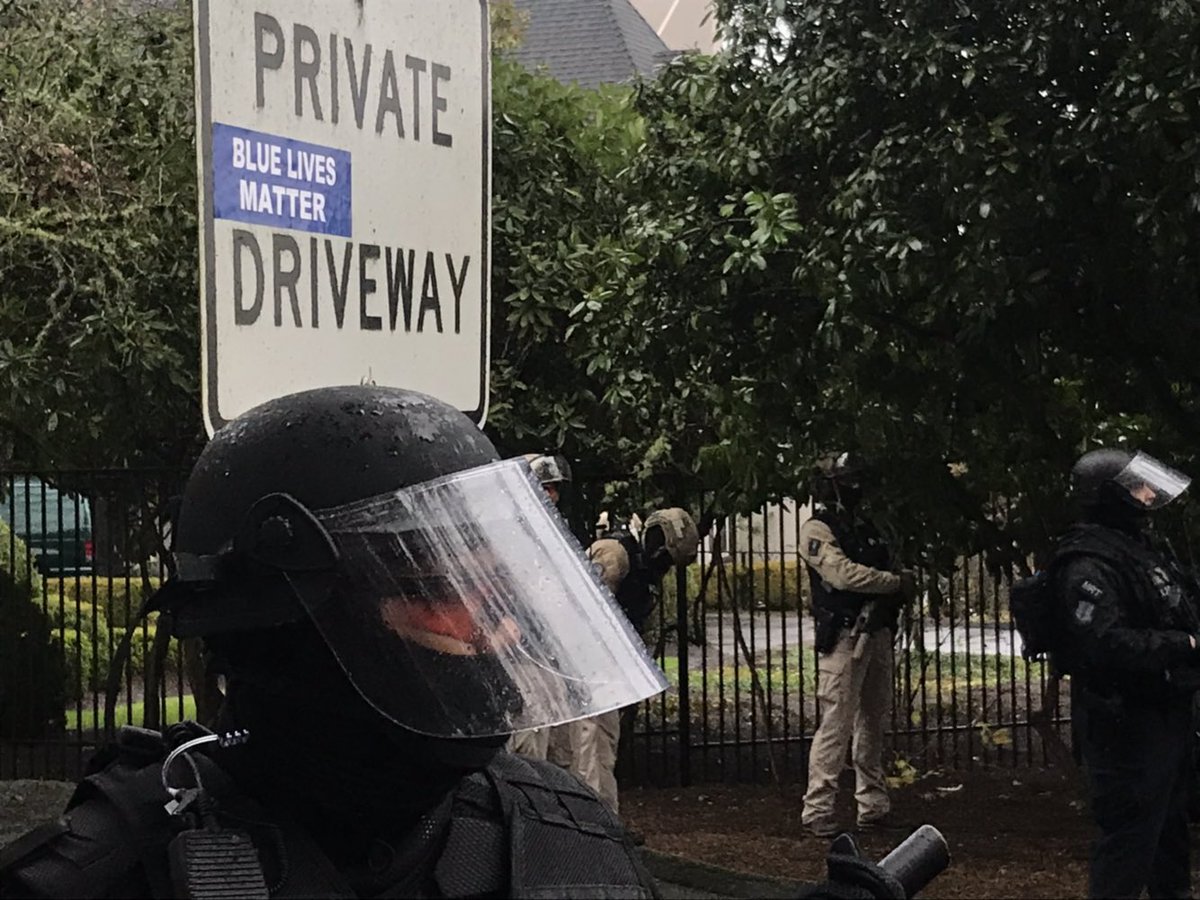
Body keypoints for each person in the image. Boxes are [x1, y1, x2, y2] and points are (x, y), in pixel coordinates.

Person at [0, 386, 671, 899]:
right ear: (288, 625)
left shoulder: (572, 846)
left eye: (499, 589)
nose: (499, 628)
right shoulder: (110, 872)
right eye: (437, 591)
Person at [1053, 448, 1200, 899]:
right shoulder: (1087, 562)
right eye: (1136, 487)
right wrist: (1185, 646)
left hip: (1166, 717)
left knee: (1169, 839)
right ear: (1108, 497)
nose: (1147, 494)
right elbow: (1106, 643)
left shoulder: (1141, 550)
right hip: (1124, 728)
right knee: (1128, 846)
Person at [551, 508, 700, 814]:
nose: (666, 564)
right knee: (585, 742)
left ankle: (607, 816)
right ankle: (588, 818)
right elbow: (579, 608)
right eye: (667, 555)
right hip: (584, 659)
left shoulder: (642, 567)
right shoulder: (614, 554)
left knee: (605, 741)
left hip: (606, 661)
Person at [800, 452, 915, 839]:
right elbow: (843, 575)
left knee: (873, 723)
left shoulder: (867, 526)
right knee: (836, 723)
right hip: (846, 636)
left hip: (877, 632)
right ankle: (818, 810)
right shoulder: (817, 529)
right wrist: (893, 582)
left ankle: (873, 806)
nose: (856, 488)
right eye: (848, 480)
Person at [507, 451, 573, 761]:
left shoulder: (557, 534)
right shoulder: (509, 533)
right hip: (521, 653)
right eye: (544, 487)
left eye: (554, 488)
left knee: (561, 749)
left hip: (553, 654)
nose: (551, 494)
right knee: (528, 743)